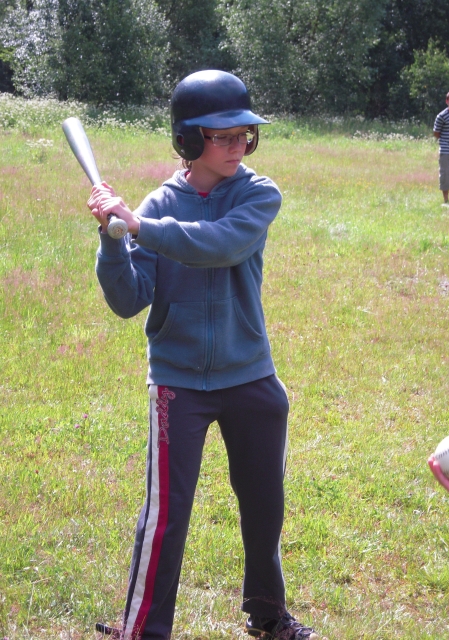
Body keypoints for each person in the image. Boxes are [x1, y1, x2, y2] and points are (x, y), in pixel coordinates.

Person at [87, 70, 319, 640]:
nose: (239, 145)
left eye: (246, 134)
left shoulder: (258, 194)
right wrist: (113, 241)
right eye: (224, 136)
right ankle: (143, 631)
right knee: (165, 516)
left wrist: (141, 226)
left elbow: (221, 246)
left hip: (251, 376)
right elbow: (127, 300)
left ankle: (268, 614)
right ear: (189, 140)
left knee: (264, 505)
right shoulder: (159, 203)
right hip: (178, 382)